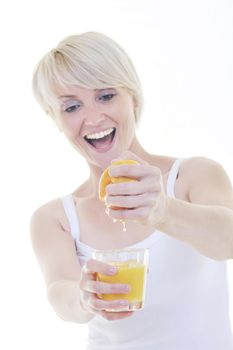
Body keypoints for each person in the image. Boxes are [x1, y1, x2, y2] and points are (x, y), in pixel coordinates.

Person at [30, 31, 233, 349]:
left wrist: (164, 210)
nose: (93, 117)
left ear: (133, 98)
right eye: (71, 107)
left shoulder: (192, 176)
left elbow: (229, 241)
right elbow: (60, 292)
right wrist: (85, 298)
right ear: (55, 119)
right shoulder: (55, 217)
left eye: (106, 96)